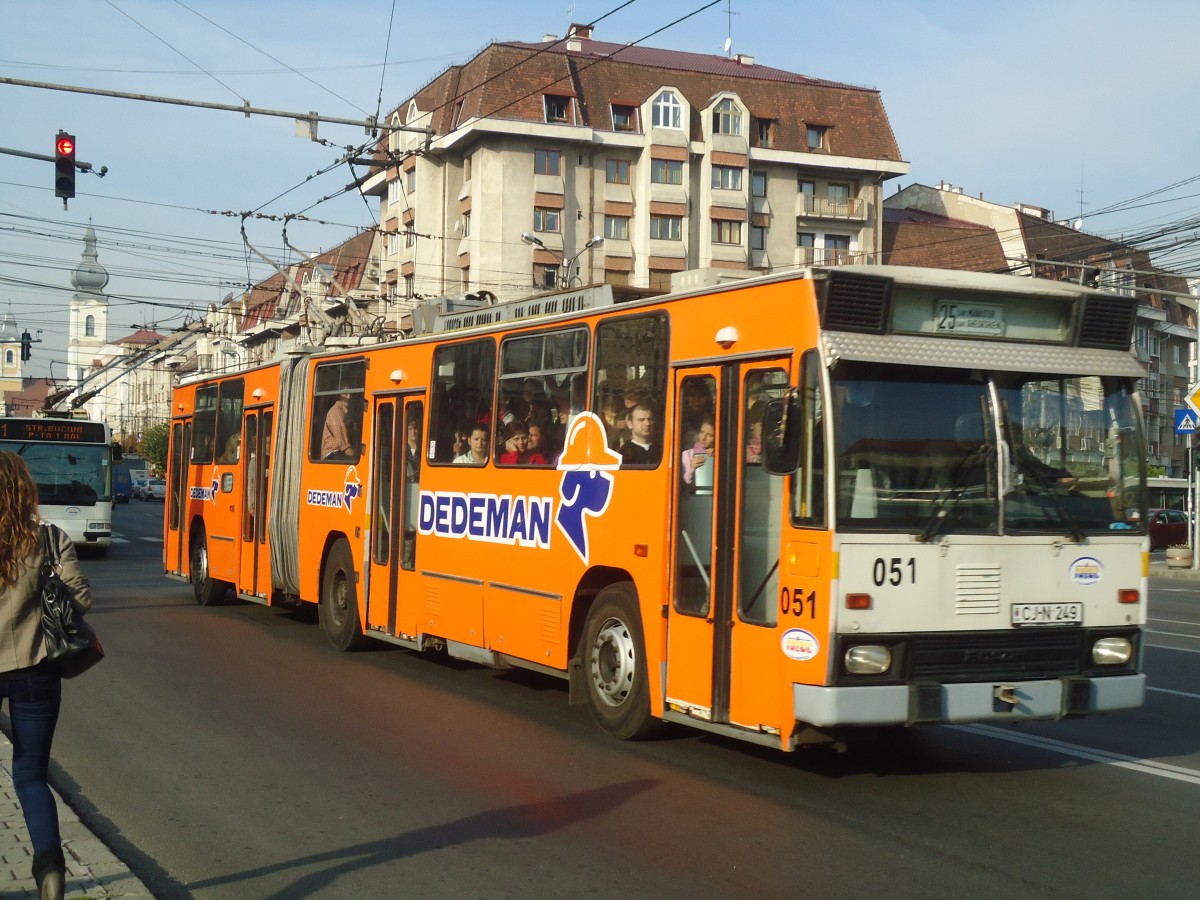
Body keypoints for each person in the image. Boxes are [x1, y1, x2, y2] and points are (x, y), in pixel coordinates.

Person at [0, 450, 92, 900]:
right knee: (32, 776)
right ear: (24, 492)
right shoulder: (50, 538)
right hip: (35, 670)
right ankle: (51, 870)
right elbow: (81, 601)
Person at [320, 392, 356, 459]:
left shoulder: (347, 412)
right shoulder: (336, 412)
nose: (349, 397)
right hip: (332, 455)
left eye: (351, 394)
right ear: (339, 395)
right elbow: (344, 444)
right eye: (345, 394)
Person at [681, 418, 716, 486]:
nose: (703, 438)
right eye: (702, 432)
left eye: (709, 435)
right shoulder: (686, 455)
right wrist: (692, 469)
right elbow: (684, 484)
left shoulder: (722, 454)